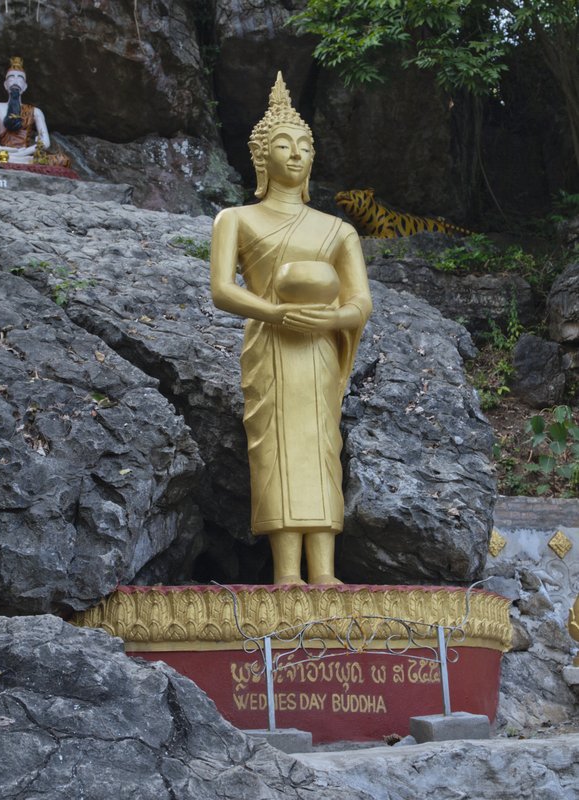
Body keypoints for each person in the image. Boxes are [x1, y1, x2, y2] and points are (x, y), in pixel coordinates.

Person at [210, 72, 372, 585]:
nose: (296, 153)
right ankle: (286, 574)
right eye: (284, 144)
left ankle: (324, 572)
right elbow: (222, 289)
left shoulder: (338, 230)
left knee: (321, 448)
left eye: (304, 145)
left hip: (319, 350)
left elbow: (360, 302)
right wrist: (274, 312)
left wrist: (333, 318)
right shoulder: (236, 219)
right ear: (262, 157)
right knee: (275, 450)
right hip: (271, 346)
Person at [0, 57, 68, 166]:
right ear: (5, 85)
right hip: (3, 154)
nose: (15, 81)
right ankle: (16, 160)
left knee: (63, 159)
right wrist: (1, 149)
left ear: (25, 86)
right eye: (11, 77)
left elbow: (46, 142)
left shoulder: (36, 111)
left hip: (26, 155)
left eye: (20, 78)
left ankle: (17, 160)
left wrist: (24, 152)